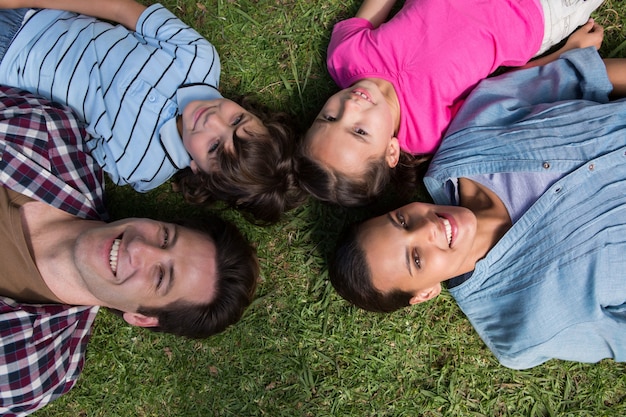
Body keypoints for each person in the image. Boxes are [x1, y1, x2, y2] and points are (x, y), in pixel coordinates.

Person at [328, 43, 626, 369]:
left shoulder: (468, 139)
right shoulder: (524, 329)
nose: (427, 227)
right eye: (415, 257)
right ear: (426, 293)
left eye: (401, 221)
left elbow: (579, 76)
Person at [0, 85, 259, 414]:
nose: (140, 248)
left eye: (161, 277)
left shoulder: (33, 366)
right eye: (165, 237)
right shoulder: (52, 138)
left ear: (141, 317)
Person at [0, 0, 303, 223]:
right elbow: (119, 10)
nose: (213, 120)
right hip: (36, 17)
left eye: (213, 146)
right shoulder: (198, 58)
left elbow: (61, 136)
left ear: (198, 172)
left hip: (8, 79)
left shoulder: (142, 169)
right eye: (237, 120)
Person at [295, 0, 605, 207]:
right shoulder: (427, 131)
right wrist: (566, 54)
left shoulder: (345, 59)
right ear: (391, 151)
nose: (350, 107)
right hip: (535, 14)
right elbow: (500, 90)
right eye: (360, 131)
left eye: (329, 117)